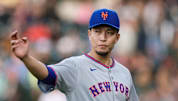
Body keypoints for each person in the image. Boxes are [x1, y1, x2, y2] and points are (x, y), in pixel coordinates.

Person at [10, 8, 139, 101]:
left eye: (109, 32)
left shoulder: (124, 73)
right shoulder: (74, 66)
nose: (103, 38)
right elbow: (47, 74)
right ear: (89, 34)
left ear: (117, 37)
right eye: (97, 31)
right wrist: (26, 58)